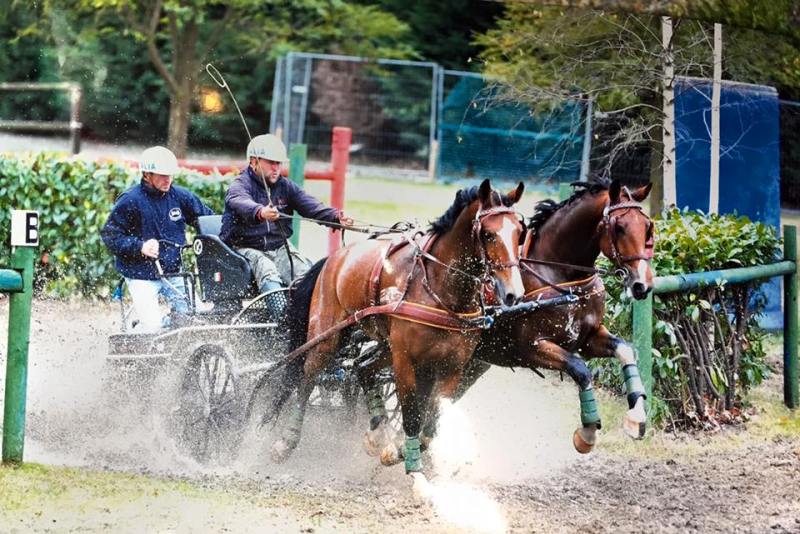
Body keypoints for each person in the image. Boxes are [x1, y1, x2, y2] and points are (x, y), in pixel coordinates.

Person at [220, 134, 353, 316]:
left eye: (279, 163)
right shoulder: (240, 184)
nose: (276, 168)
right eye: (271, 163)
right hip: (244, 248)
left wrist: (335, 217)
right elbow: (238, 201)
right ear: (254, 162)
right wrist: (260, 212)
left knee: (306, 274)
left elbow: (310, 205)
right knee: (266, 268)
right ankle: (282, 318)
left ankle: (311, 317)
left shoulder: (285, 186)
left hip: (279, 246)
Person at [102, 146, 214, 333]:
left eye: (169, 174)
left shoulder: (180, 196)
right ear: (146, 175)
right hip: (141, 275)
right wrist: (140, 247)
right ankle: (135, 339)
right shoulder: (130, 200)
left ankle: (171, 332)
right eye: (162, 175)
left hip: (173, 273)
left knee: (196, 316)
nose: (167, 179)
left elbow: (208, 220)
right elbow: (110, 235)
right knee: (152, 328)